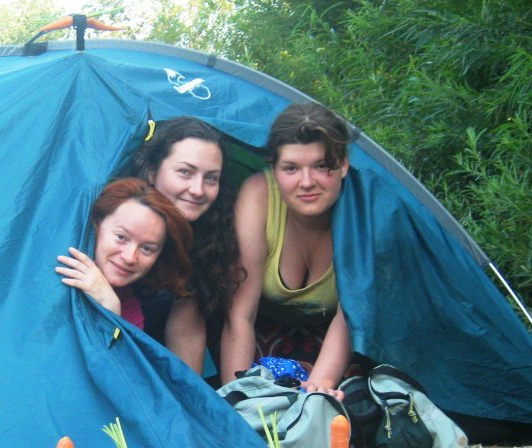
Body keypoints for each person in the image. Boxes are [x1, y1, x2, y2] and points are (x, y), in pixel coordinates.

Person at [220, 102, 356, 400]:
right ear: (273, 168)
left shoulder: (362, 211)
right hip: (262, 336)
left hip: (338, 342)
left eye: (322, 166)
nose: (307, 182)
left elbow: (351, 315)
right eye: (291, 168)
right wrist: (239, 399)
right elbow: (240, 314)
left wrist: (318, 391)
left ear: (343, 164)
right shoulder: (259, 195)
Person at [129, 117, 244, 375]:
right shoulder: (115, 227)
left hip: (151, 369)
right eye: (185, 172)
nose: (197, 190)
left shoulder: (203, 243)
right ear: (151, 171)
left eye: (211, 178)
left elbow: (185, 337)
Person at [56, 177, 192, 329]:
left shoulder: (131, 312)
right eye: (121, 237)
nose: (130, 257)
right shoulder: (54, 267)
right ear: (97, 225)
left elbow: (115, 347)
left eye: (147, 248)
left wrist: (112, 311)